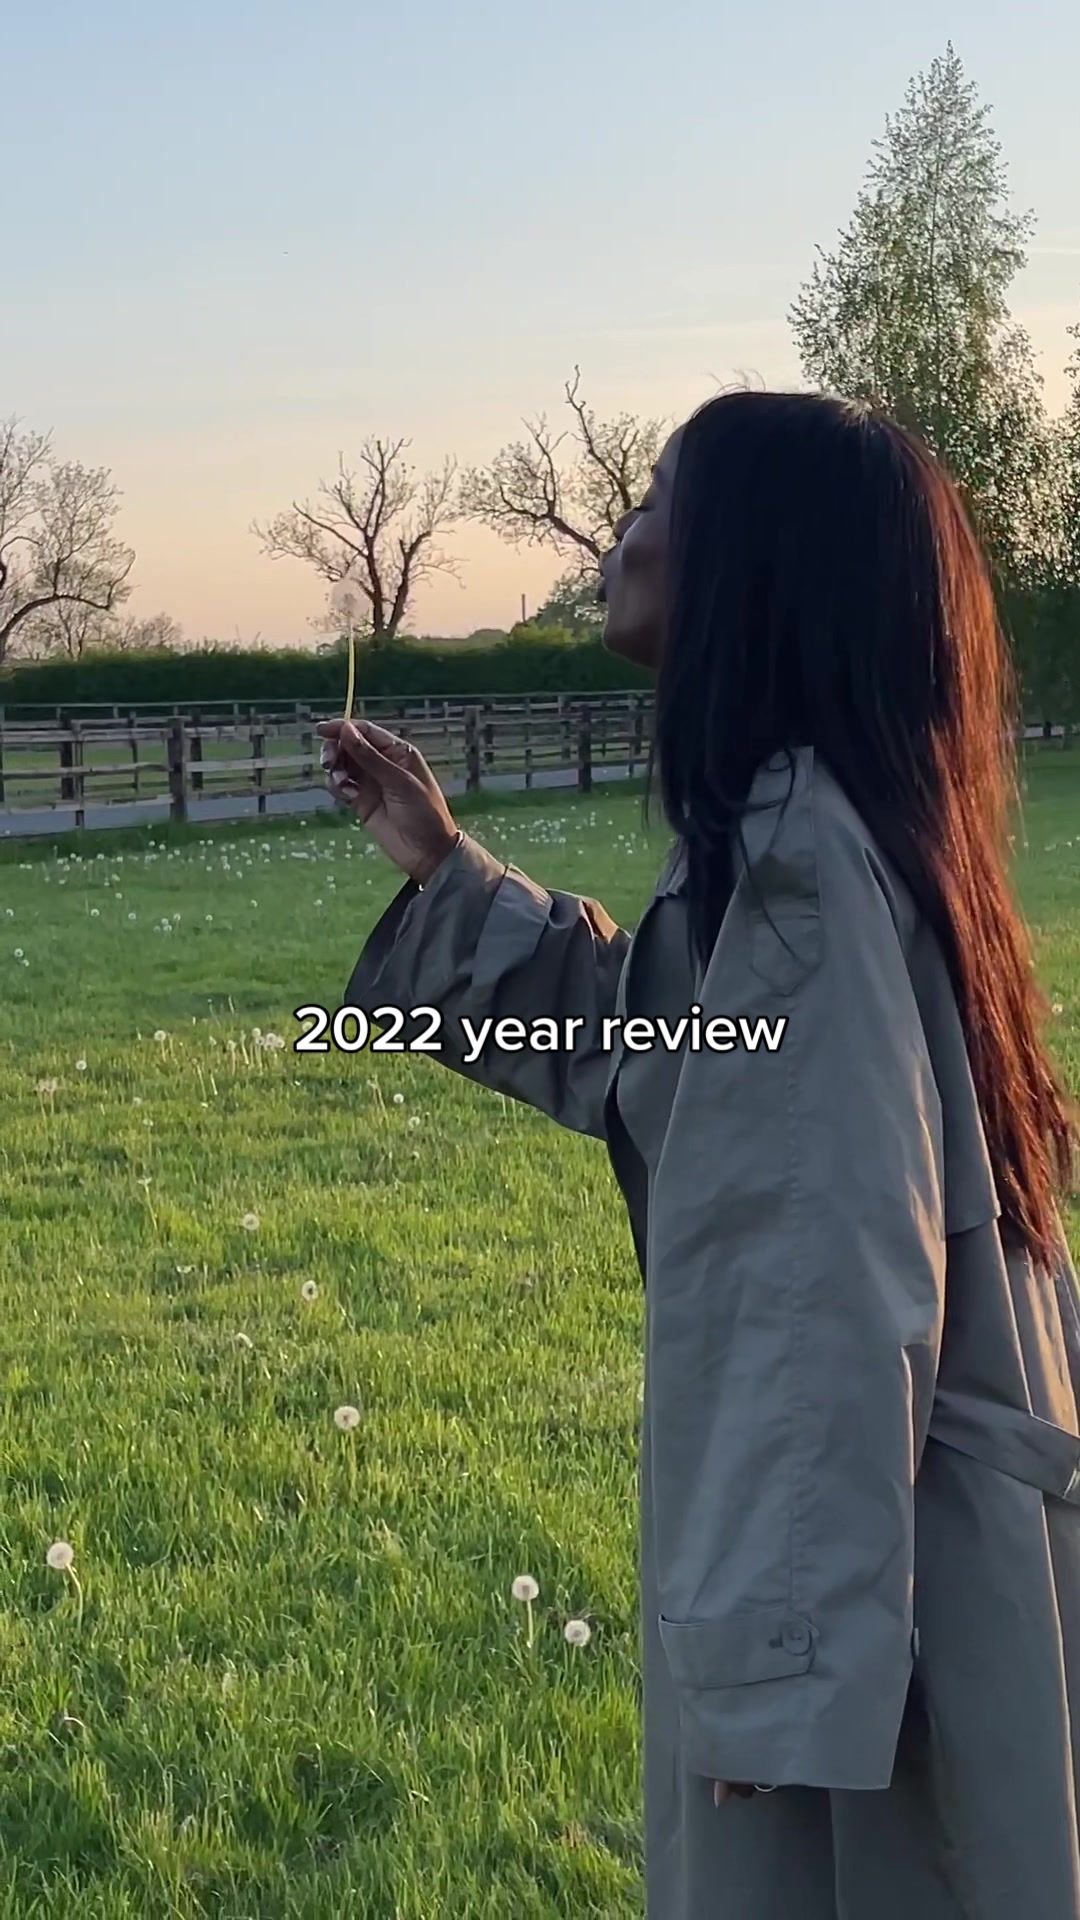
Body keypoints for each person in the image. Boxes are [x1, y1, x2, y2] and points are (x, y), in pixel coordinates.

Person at [316, 389, 1080, 1919]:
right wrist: (446, 871)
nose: (622, 531)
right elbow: (671, 1053)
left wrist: (777, 1655)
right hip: (921, 1558)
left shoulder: (801, 862)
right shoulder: (829, 826)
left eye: (659, 496)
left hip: (885, 1599)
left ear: (757, 561)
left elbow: (815, 1273)